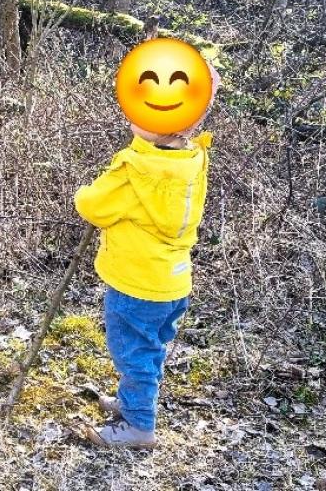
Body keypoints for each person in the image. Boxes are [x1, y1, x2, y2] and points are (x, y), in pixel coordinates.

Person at [76, 67, 219, 449]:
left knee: (133, 354)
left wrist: (86, 189)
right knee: (149, 350)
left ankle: (139, 426)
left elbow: (92, 205)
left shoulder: (135, 170)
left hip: (136, 284)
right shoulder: (192, 160)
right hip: (172, 282)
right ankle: (132, 403)